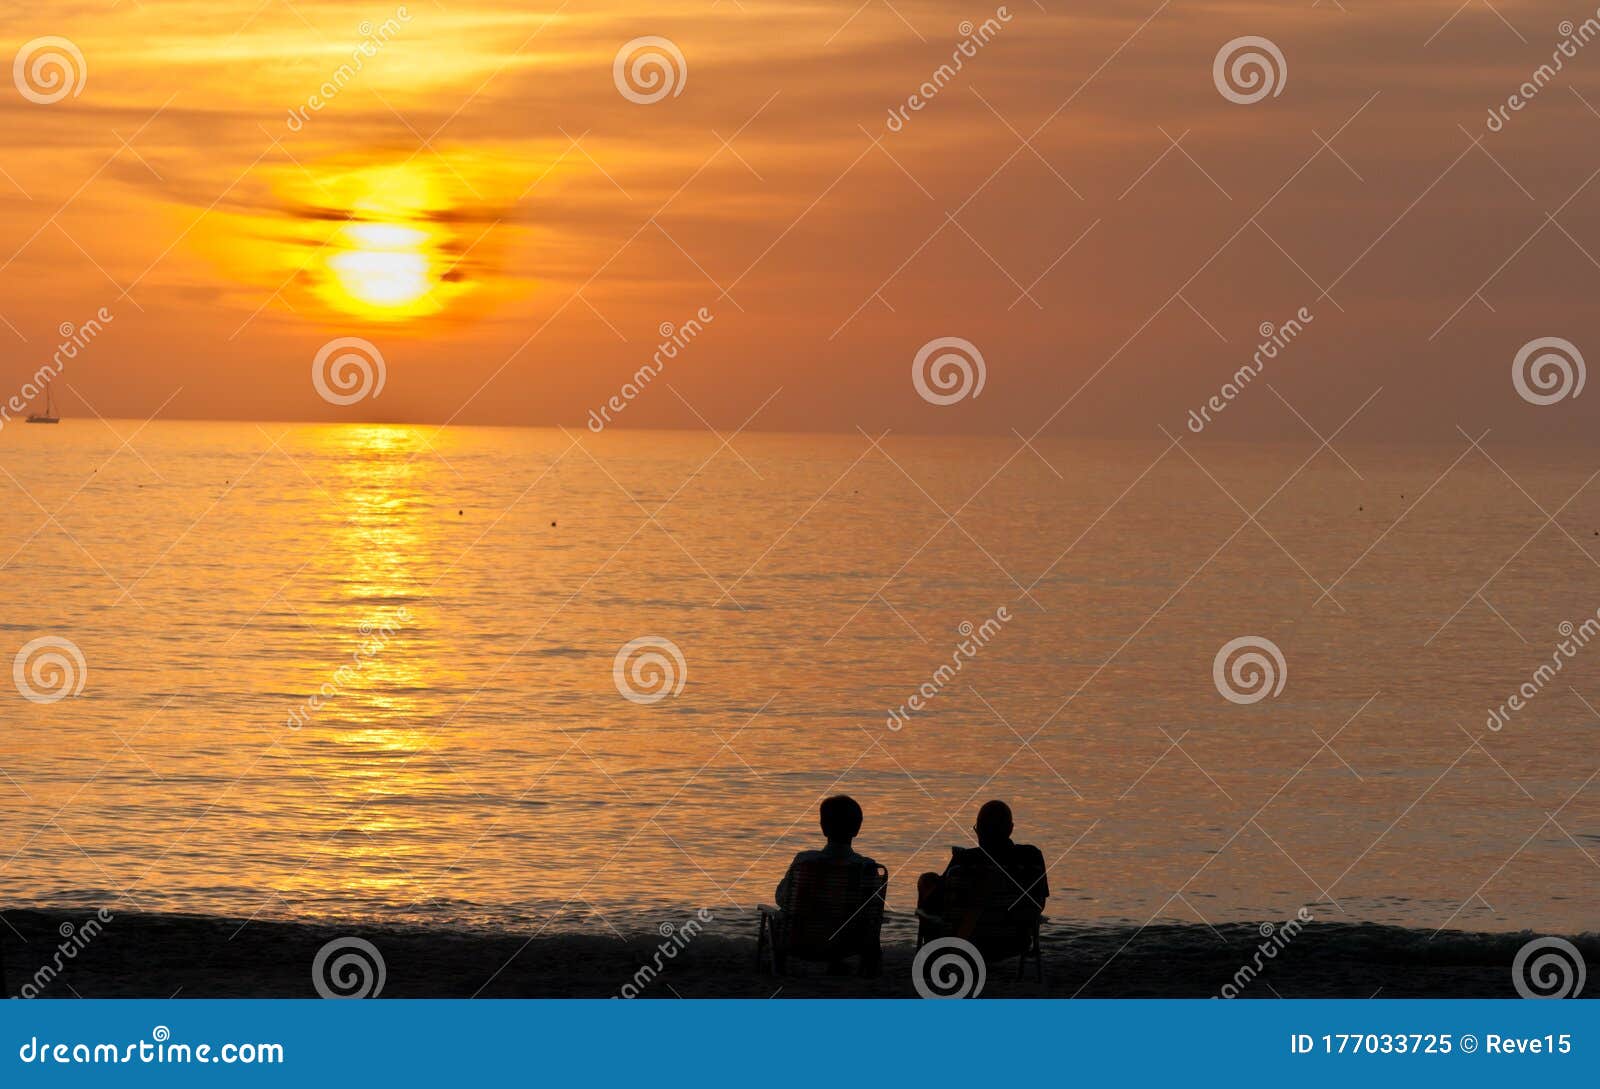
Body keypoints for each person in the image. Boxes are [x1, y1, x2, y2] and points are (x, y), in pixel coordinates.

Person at [917, 800, 1048, 958]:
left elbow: (935, 904)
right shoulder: (1032, 858)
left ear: (979, 830)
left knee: (927, 882)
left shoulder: (963, 862)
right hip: (1016, 943)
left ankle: (931, 959)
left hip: (967, 943)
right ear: (1011, 829)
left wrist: (924, 903)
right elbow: (1039, 903)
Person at [772, 794, 883, 975]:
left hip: (800, 942)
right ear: (857, 829)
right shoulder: (867, 867)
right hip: (850, 944)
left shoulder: (804, 861)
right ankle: (847, 964)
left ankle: (778, 967)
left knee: (778, 914)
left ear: (823, 827)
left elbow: (781, 898)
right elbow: (873, 909)